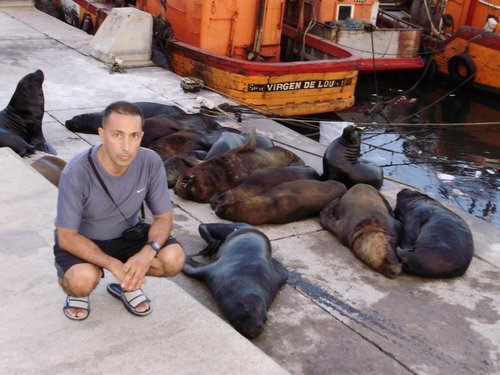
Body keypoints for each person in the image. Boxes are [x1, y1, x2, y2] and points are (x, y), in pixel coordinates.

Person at [53, 100, 185, 320]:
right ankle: (84, 278)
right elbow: (67, 236)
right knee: (80, 282)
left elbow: (163, 218)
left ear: (141, 137)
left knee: (173, 259)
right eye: (117, 135)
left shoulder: (150, 161)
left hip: (126, 236)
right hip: (84, 240)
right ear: (102, 135)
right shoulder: (76, 171)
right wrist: (112, 264)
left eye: (133, 136)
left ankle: (127, 283)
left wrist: (147, 252)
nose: (126, 146)